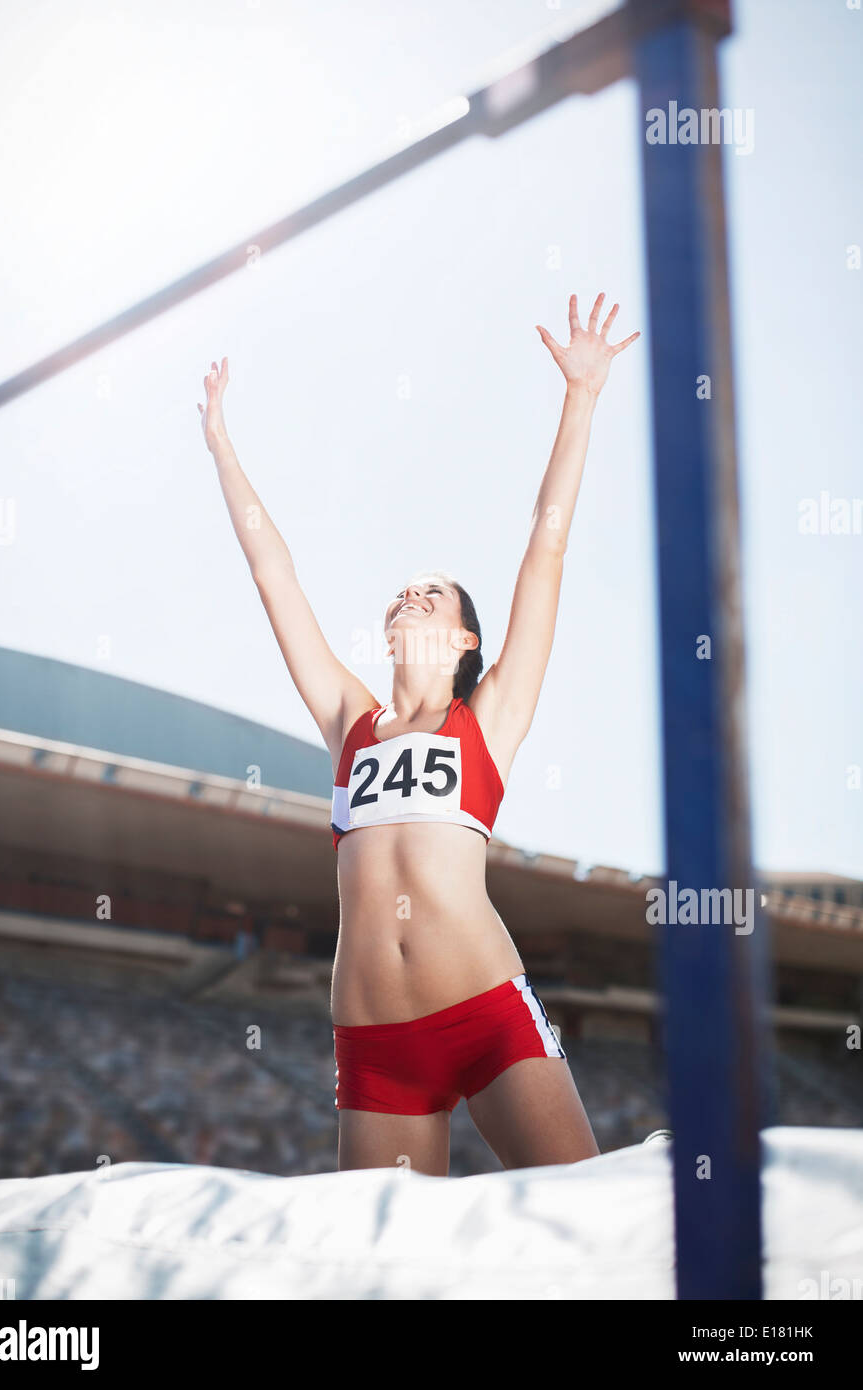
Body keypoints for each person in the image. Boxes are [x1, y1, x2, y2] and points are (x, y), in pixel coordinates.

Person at [199, 292, 640, 1176]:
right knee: (391, 1275)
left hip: (484, 1014)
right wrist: (220, 440)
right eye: (401, 590)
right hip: (374, 1047)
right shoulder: (348, 722)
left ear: (466, 637)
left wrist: (581, 397)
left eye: (431, 592)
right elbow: (271, 571)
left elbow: (543, 549)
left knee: (578, 1229)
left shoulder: (490, 719)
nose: (409, 595)